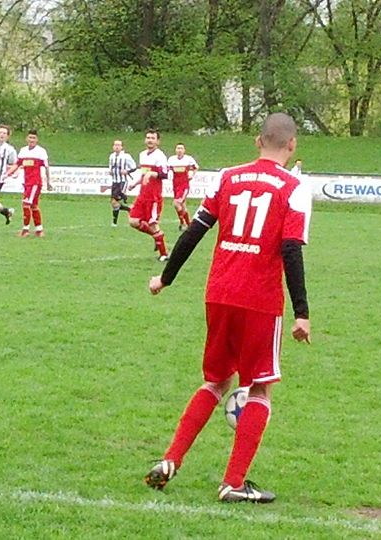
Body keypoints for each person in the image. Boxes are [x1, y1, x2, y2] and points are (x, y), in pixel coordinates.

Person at [143, 112, 312, 503]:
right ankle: (233, 482)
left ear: (257, 141)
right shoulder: (294, 187)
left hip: (218, 293)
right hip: (259, 300)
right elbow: (290, 249)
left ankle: (171, 460)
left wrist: (165, 278)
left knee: (217, 381)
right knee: (261, 388)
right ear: (292, 145)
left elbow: (195, 229)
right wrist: (301, 312)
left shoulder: (228, 176)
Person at [128, 129, 169, 261]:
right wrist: (135, 183)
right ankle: (157, 236)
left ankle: (164, 254)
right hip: (142, 195)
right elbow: (143, 173)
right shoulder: (142, 155)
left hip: (153, 197)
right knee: (133, 221)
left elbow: (164, 174)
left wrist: (152, 174)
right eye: (148, 138)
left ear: (158, 141)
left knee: (152, 224)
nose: (150, 140)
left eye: (153, 138)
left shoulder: (160, 156)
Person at [6, 129, 53, 237]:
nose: (31, 140)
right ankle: (39, 230)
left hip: (35, 183)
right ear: (26, 138)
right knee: (33, 206)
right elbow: (17, 164)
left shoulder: (41, 151)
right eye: (30, 138)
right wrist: (8, 173)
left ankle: (25, 230)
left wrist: (48, 181)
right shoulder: (23, 150)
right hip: (26, 182)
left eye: (34, 138)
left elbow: (46, 167)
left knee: (26, 204)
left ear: (37, 140)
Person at [168, 143, 199, 231]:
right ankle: (189, 225)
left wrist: (192, 174)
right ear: (175, 150)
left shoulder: (188, 159)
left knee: (177, 203)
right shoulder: (171, 159)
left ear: (184, 150)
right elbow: (167, 169)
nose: (179, 150)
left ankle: (182, 222)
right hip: (175, 185)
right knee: (182, 206)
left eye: (181, 148)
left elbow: (196, 167)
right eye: (178, 148)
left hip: (184, 185)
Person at [108, 139, 137, 226]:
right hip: (114, 182)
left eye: (118, 145)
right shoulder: (111, 156)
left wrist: (127, 171)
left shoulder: (126, 156)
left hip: (122, 181)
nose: (117, 147)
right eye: (115, 145)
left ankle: (114, 223)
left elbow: (134, 167)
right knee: (114, 203)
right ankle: (129, 209)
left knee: (115, 201)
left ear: (121, 147)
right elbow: (111, 167)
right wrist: (110, 172)